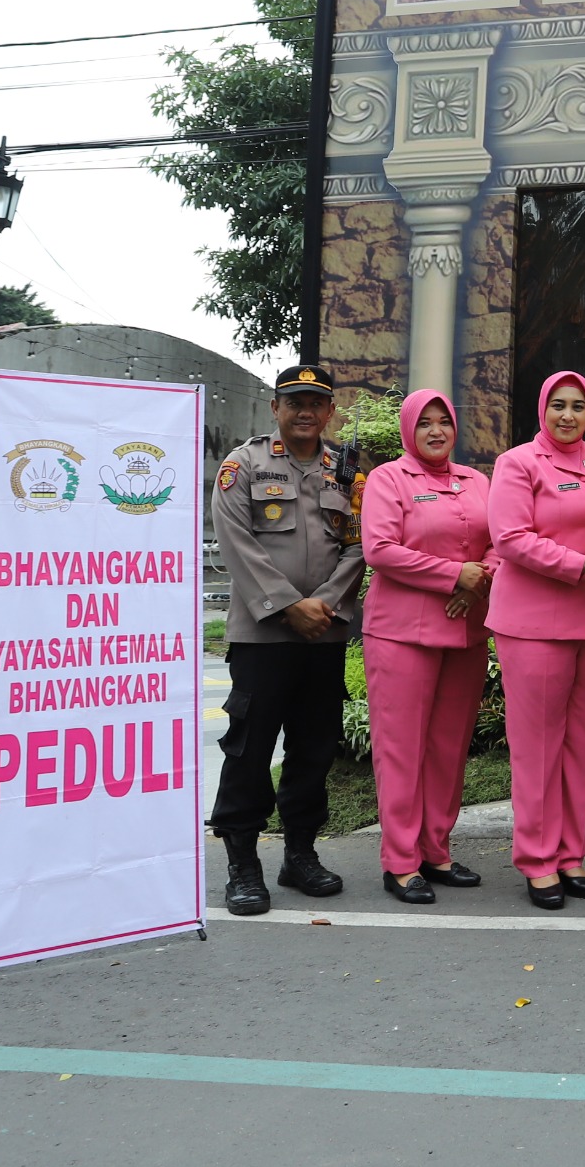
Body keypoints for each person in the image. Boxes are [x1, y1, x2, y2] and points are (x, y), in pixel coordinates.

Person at [208, 365, 365, 916]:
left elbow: (357, 543)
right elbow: (236, 542)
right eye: (294, 401)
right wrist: (288, 607)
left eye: (315, 403)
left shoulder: (345, 471)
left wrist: (321, 606)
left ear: (329, 412)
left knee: (313, 748)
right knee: (249, 750)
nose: (305, 411)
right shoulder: (243, 465)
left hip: (323, 635)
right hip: (262, 636)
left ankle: (300, 853)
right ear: (275, 407)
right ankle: (243, 864)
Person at [487, 372, 585, 911]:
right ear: (542, 409)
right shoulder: (517, 463)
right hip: (534, 623)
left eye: (578, 406)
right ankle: (538, 859)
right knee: (538, 746)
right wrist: (579, 563)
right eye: (558, 405)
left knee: (583, 744)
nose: (568, 415)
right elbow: (511, 538)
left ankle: (571, 853)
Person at [359, 389, 497, 905]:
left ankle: (435, 850)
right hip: (402, 633)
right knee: (402, 748)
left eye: (444, 422)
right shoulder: (388, 479)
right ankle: (399, 862)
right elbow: (380, 549)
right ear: (408, 430)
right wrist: (452, 576)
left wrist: (477, 577)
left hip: (465, 629)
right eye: (425, 423)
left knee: (447, 746)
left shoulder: (476, 480)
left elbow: (500, 540)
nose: (436, 431)